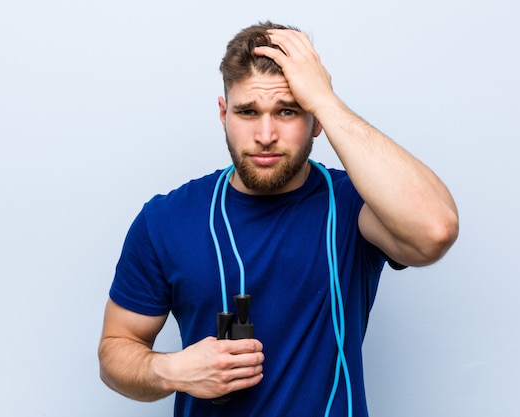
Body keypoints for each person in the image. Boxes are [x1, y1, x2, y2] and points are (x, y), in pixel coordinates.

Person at [98, 21, 458, 417]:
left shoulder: (356, 205)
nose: (265, 134)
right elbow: (116, 349)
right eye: (248, 112)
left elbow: (434, 230)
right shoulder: (165, 219)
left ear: (316, 120)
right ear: (223, 114)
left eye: (288, 111)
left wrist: (326, 100)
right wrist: (169, 369)